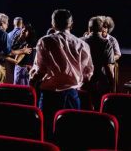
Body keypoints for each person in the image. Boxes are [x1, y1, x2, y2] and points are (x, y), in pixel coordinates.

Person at [29, 9, 93, 138]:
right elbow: (88, 73)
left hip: (49, 97)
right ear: (71, 24)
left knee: (47, 134)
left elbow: (40, 70)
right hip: (72, 95)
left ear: (53, 24)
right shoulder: (82, 44)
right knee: (70, 135)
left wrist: (32, 79)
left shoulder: (45, 41)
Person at [82, 16, 115, 109]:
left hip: (84, 82)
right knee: (99, 110)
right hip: (100, 83)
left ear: (89, 28)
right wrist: (112, 84)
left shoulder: (80, 41)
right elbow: (108, 66)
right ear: (101, 29)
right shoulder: (106, 43)